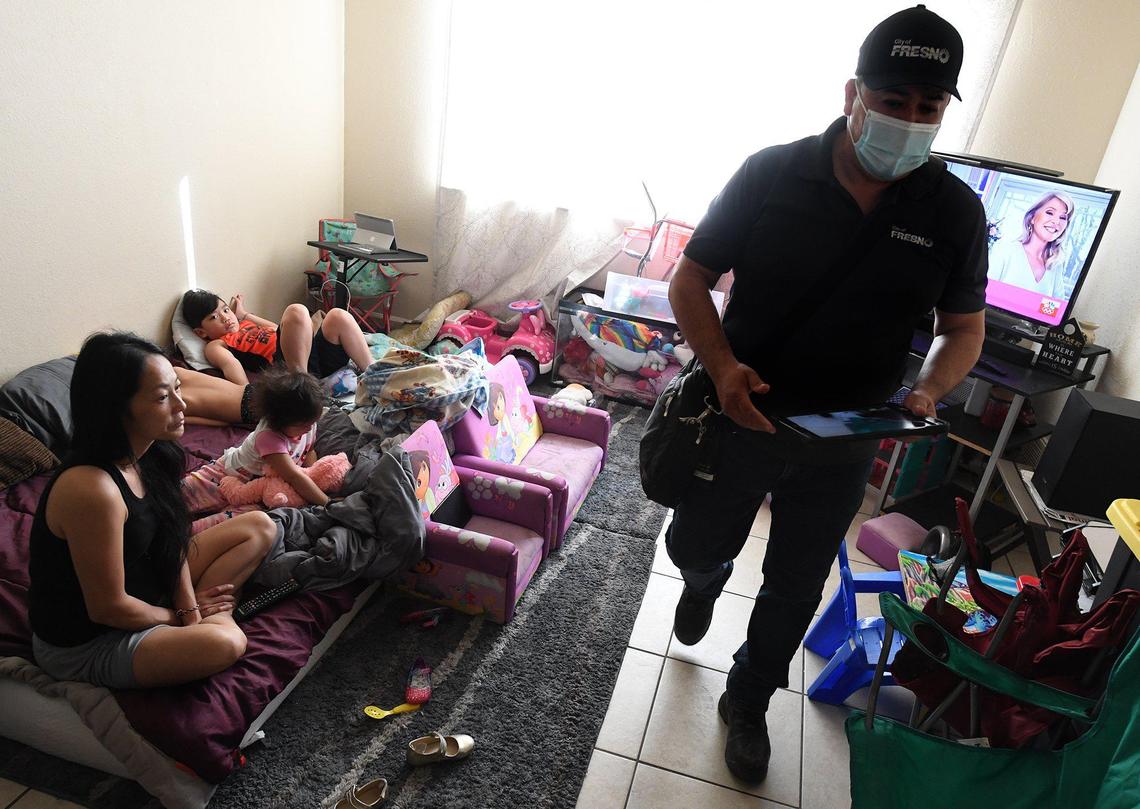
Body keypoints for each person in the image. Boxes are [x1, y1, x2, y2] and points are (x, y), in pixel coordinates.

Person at [663, 6, 987, 783]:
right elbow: (690, 278)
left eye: (929, 107)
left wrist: (928, 388)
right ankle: (702, 579)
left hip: (847, 435)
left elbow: (963, 327)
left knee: (797, 578)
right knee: (695, 541)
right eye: (894, 100)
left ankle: (748, 698)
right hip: (743, 411)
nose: (910, 120)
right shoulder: (772, 172)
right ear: (853, 93)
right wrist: (721, 365)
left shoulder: (954, 211)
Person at [28, 333, 277, 689]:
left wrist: (190, 610)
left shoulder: (153, 453)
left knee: (259, 527)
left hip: (148, 588)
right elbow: (107, 608)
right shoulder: (91, 489)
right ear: (116, 408)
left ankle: (212, 612)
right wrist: (184, 617)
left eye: (178, 388)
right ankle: (218, 614)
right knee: (226, 643)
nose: (182, 405)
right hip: (93, 639)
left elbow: (171, 540)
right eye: (163, 397)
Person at [182, 367, 330, 517]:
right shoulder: (269, 437)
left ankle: (195, 532)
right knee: (178, 498)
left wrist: (313, 476)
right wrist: (327, 503)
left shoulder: (307, 422)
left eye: (313, 422)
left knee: (244, 519)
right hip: (226, 475)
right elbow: (293, 477)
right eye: (303, 425)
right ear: (278, 422)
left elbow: (309, 451)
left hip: (258, 489)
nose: (310, 427)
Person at [180, 289, 373, 386]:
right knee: (296, 311)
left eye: (225, 310)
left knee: (337, 315)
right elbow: (232, 367)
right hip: (290, 370)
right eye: (214, 317)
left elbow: (278, 328)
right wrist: (246, 393)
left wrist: (244, 315)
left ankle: (375, 372)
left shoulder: (245, 324)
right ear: (201, 332)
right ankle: (305, 391)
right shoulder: (217, 345)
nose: (225, 318)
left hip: (312, 358)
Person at [988, 192, 1075, 298]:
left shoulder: (1055, 265)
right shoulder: (1005, 249)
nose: (1056, 221)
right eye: (1050, 213)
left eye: (1063, 217)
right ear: (1032, 217)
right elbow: (982, 296)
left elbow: (1056, 309)